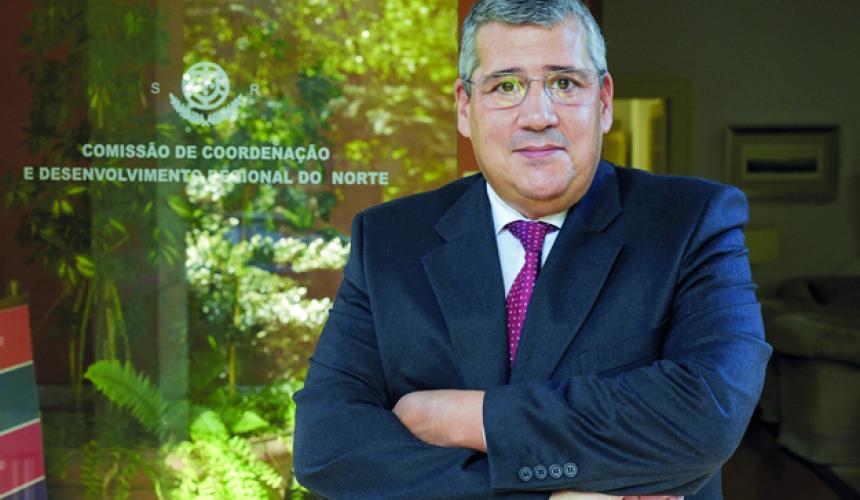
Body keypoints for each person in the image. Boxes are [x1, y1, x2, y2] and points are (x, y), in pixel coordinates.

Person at [293, 1, 772, 498]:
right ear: (464, 107)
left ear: (604, 101)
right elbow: (326, 446)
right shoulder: (389, 240)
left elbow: (707, 416)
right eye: (506, 86)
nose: (538, 116)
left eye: (564, 83)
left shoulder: (691, 223)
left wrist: (472, 417)